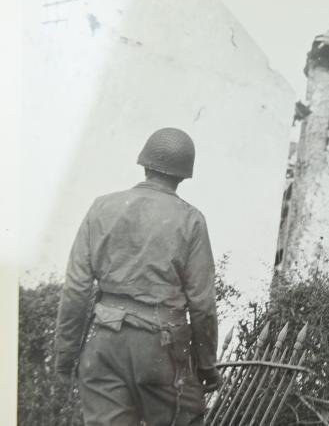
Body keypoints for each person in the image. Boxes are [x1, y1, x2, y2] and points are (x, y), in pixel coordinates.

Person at [54, 127, 219, 426]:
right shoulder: (191, 220)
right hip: (162, 348)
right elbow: (202, 304)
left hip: (104, 343)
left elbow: (76, 289)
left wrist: (65, 356)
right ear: (184, 175)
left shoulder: (101, 207)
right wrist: (207, 365)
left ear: (144, 163)